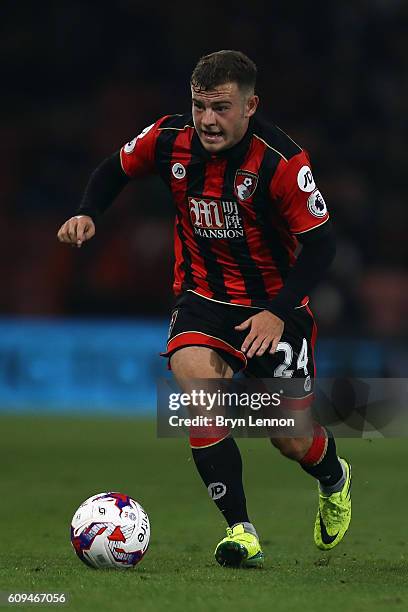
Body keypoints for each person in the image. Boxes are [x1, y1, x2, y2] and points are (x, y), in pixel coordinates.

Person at [57, 50, 351, 568]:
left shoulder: (281, 162)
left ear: (250, 105)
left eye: (220, 107)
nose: (208, 120)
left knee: (290, 438)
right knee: (198, 391)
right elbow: (113, 169)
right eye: (199, 106)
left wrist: (279, 310)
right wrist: (87, 210)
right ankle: (242, 530)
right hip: (201, 300)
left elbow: (323, 245)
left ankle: (334, 477)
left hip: (274, 309)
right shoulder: (170, 139)